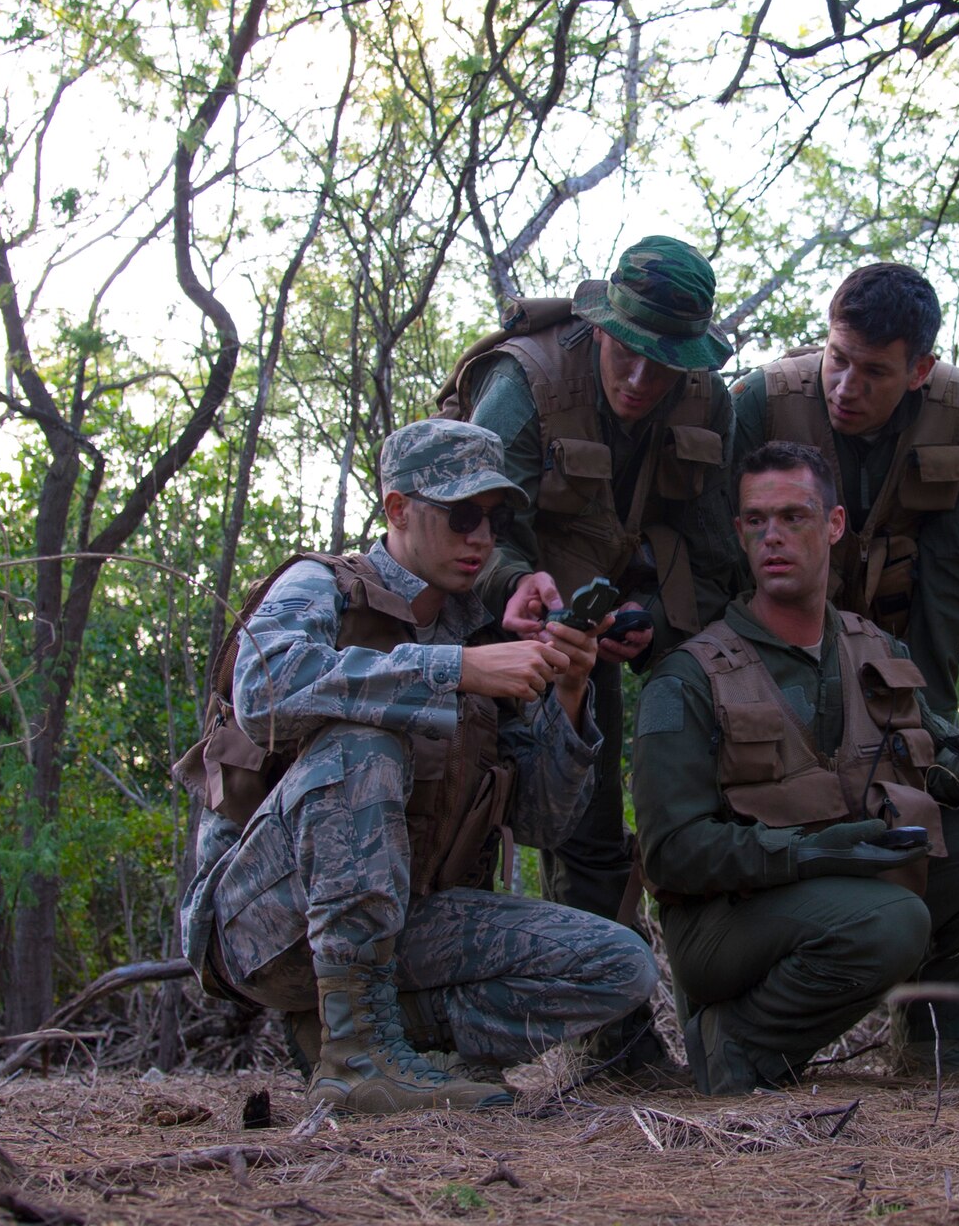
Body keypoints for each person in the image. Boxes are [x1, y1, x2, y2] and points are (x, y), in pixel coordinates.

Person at [177, 418, 660, 1116]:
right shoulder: (322, 585)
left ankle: (376, 1041)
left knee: (620, 966)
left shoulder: (484, 630)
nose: (482, 538)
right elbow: (265, 693)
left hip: (404, 918)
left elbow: (543, 821)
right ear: (397, 509)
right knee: (362, 746)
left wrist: (570, 693)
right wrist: (456, 670)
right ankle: (358, 1057)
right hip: (260, 923)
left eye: (495, 520)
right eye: (462, 515)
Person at [631, 440, 959, 1094]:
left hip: (849, 886)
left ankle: (947, 1044)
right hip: (728, 926)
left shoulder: (873, 648)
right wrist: (806, 853)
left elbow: (926, 757)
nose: (773, 536)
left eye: (794, 517)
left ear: (833, 525)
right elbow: (672, 855)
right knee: (891, 920)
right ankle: (739, 1044)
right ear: (739, 533)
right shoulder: (688, 679)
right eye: (756, 521)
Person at [440, 235, 740, 1084]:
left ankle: (622, 1039)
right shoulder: (527, 381)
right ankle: (453, 1036)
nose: (642, 381)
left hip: (606, 625)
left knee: (614, 825)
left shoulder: (705, 405)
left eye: (665, 363)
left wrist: (656, 621)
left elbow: (707, 545)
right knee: (487, 819)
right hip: (489, 620)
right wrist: (515, 583)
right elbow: (468, 522)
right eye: (628, 351)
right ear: (601, 324)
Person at [730, 261, 959, 719]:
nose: (845, 389)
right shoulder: (760, 403)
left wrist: (928, 715)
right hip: (773, 645)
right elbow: (730, 563)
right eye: (837, 358)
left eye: (874, 372)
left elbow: (953, 573)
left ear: (919, 370)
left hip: (895, 645)